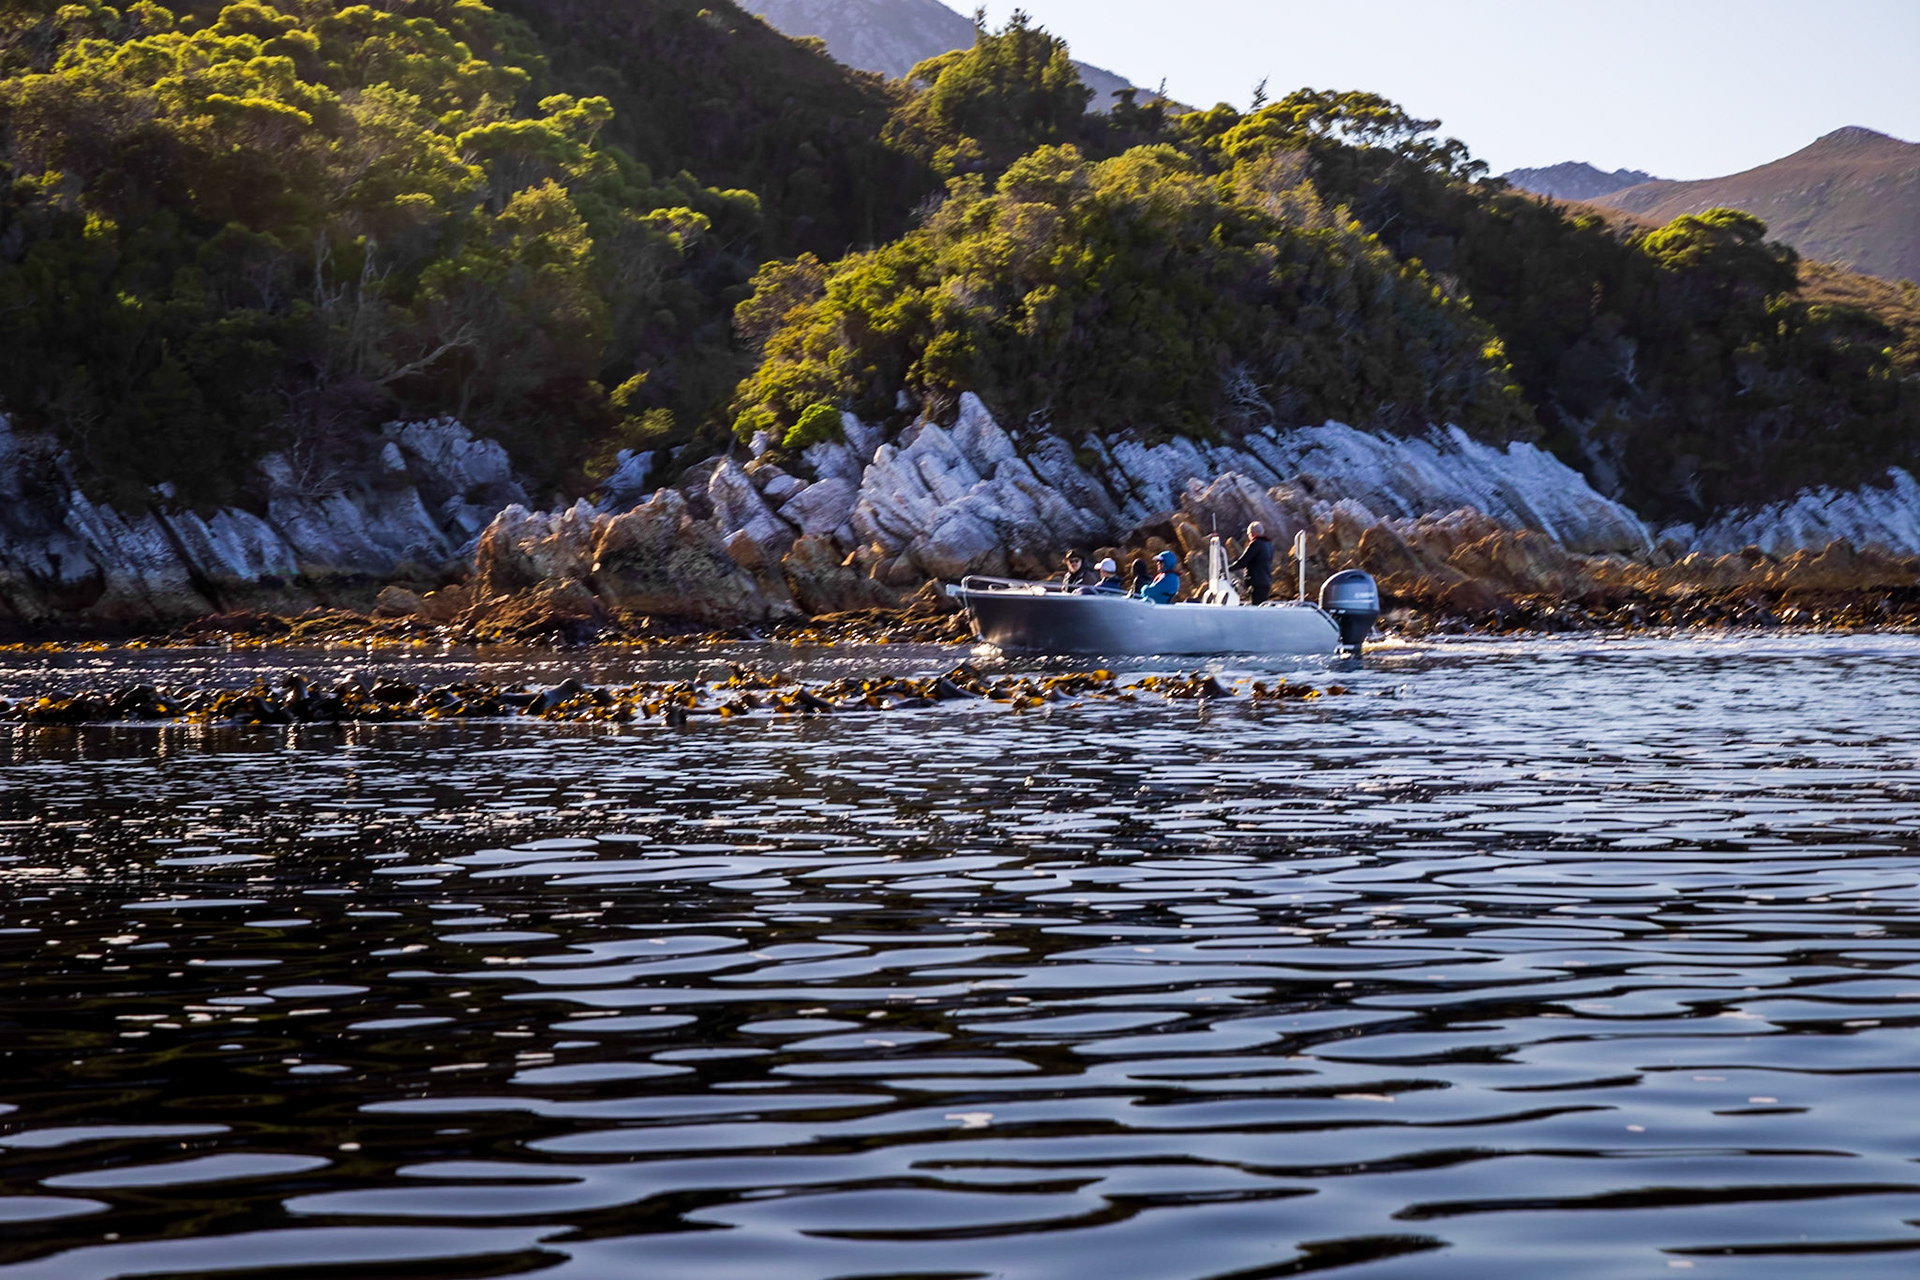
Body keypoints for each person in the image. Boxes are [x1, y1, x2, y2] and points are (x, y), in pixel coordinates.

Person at [1231, 521, 1275, 604]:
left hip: (1256, 583)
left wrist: (1228, 568)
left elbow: (1243, 561)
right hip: (1266, 582)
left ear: (1252, 534)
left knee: (1256, 607)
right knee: (1261, 605)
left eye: (1248, 535)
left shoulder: (1255, 544)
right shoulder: (1268, 545)